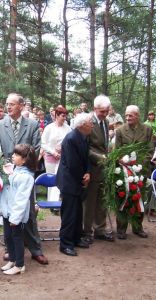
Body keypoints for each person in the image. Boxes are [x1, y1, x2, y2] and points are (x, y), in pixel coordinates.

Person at [0, 93, 48, 265]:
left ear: (21, 105)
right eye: (7, 104)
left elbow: (36, 149)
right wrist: (6, 168)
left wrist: (24, 167)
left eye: (12, 104)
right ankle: (10, 249)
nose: (8, 107)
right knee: (9, 210)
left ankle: (35, 249)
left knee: (28, 211)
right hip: (7, 175)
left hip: (25, 175)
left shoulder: (31, 125)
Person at [0, 144, 37, 275]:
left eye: (16, 155)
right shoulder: (12, 171)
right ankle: (12, 259)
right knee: (8, 237)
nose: (12, 156)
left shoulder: (26, 177)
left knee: (17, 238)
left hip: (15, 215)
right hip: (6, 211)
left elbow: (21, 200)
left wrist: (15, 218)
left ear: (24, 159)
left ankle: (19, 264)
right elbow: (2, 189)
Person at [115, 105, 154, 239]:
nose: (127, 118)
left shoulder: (147, 129)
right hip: (124, 171)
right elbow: (117, 151)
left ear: (137, 116)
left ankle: (138, 227)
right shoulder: (120, 130)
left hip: (141, 170)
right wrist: (125, 165)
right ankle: (121, 228)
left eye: (130, 115)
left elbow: (150, 150)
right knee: (123, 197)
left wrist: (139, 166)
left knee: (139, 199)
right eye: (126, 115)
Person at [56, 113, 92, 256]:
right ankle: (65, 244)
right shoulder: (71, 138)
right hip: (70, 181)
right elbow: (73, 164)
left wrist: (88, 172)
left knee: (78, 213)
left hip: (79, 180)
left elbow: (86, 158)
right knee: (69, 214)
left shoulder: (84, 137)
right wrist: (83, 177)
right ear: (82, 125)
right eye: (91, 123)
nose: (92, 125)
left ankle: (76, 238)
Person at [83, 95, 114, 244]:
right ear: (95, 109)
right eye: (102, 111)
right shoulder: (88, 122)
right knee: (89, 202)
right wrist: (101, 158)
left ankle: (100, 229)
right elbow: (85, 148)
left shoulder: (106, 122)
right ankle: (87, 231)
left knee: (102, 200)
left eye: (107, 111)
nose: (105, 114)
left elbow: (104, 145)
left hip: (104, 169)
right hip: (91, 168)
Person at [41, 105, 71, 202]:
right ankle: (51, 202)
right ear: (57, 115)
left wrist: (63, 148)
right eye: (63, 115)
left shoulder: (68, 128)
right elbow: (43, 143)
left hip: (63, 157)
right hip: (50, 157)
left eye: (65, 116)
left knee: (60, 178)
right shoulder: (49, 128)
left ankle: (57, 201)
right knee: (51, 178)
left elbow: (71, 142)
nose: (64, 118)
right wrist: (53, 152)